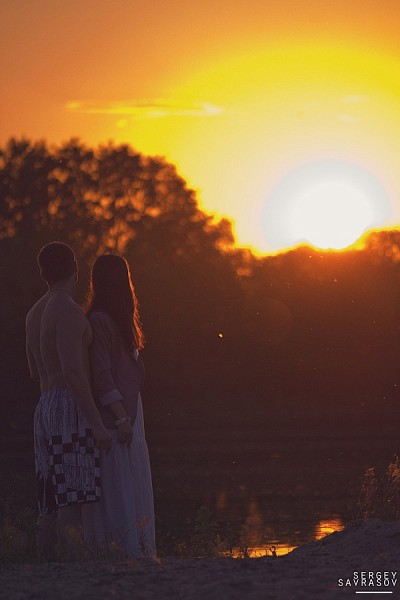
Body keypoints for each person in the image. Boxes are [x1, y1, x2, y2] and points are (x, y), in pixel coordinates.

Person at [26, 242, 112, 560]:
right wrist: (97, 424)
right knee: (72, 493)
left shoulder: (34, 314)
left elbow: (33, 370)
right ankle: (78, 563)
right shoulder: (69, 311)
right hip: (67, 405)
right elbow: (73, 371)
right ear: (75, 269)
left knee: (49, 493)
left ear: (43, 273)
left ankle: (45, 563)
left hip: (44, 405)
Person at [81, 254, 157, 559]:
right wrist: (121, 417)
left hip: (131, 414)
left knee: (131, 477)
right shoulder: (100, 321)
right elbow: (101, 376)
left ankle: (138, 545)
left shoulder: (122, 323)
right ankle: (121, 549)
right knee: (117, 481)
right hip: (117, 417)